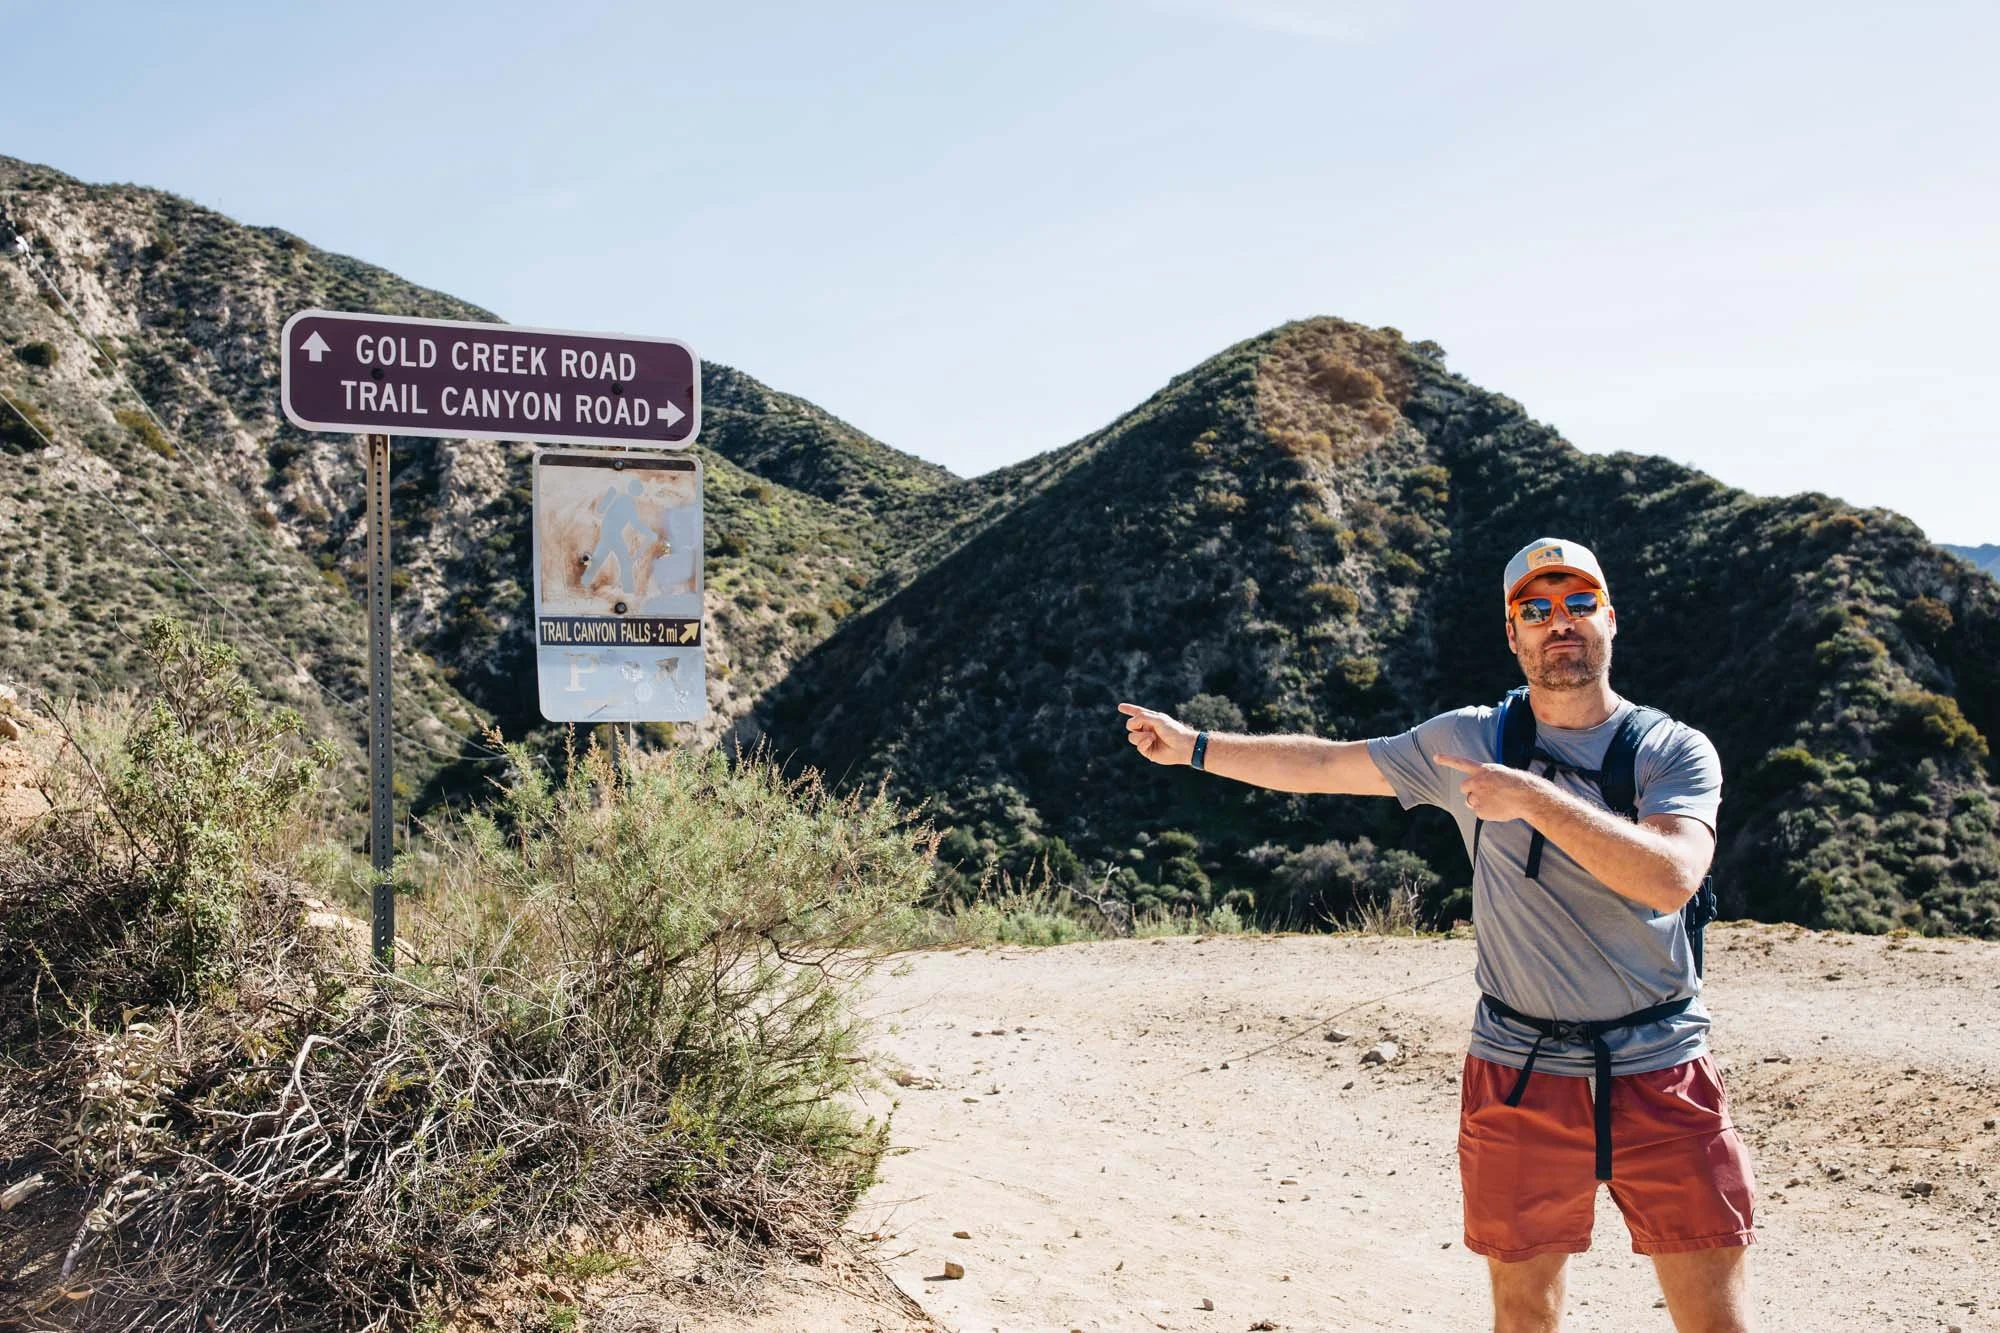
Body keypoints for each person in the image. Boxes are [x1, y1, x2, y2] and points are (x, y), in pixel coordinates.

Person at [1118, 537, 1755, 1333]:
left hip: (1661, 1067)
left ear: (1610, 619)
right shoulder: (1469, 740)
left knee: (1717, 1323)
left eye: (1579, 602)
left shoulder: (1671, 748)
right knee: (1523, 1317)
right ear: (1513, 634)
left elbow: (1670, 875)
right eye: (1536, 608)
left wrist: (1533, 799)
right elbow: (1329, 766)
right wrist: (1193, 747)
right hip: (1519, 1071)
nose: (1560, 621)